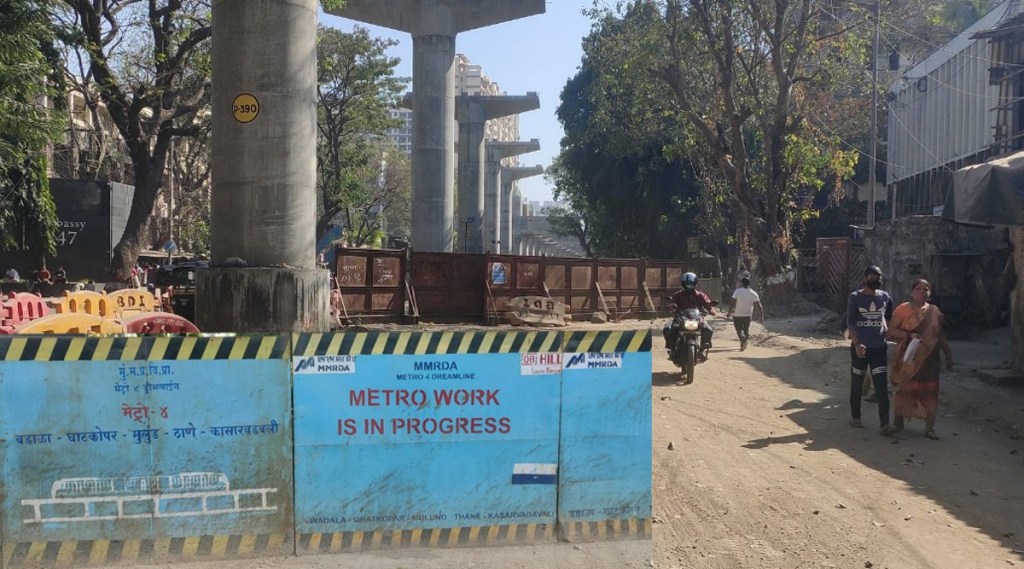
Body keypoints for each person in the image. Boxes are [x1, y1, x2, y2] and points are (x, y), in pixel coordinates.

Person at [886, 279, 953, 440]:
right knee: (904, 390)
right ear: (912, 292)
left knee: (930, 393)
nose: (923, 292)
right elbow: (890, 332)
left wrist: (948, 355)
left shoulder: (935, 311)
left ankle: (929, 429)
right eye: (919, 289)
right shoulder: (903, 310)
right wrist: (909, 335)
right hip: (908, 359)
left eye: (926, 289)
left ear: (930, 293)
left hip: (930, 359)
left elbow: (939, 335)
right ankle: (898, 422)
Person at [846, 265, 895, 435]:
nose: (876, 281)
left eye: (878, 278)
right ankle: (856, 417)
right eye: (872, 277)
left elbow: (888, 317)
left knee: (881, 385)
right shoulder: (855, 297)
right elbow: (851, 322)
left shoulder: (885, 297)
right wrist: (857, 344)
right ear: (865, 279)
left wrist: (886, 329)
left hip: (879, 348)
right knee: (857, 382)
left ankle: (885, 424)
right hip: (860, 348)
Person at [663, 272, 717, 360]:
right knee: (670, 328)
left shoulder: (700, 295)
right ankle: (672, 349)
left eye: (691, 284)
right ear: (683, 284)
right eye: (687, 284)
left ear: (695, 284)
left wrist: (711, 309)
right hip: (681, 317)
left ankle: (703, 350)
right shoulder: (678, 295)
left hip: (697, 317)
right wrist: (671, 307)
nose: (689, 286)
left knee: (708, 329)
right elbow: (672, 302)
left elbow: (707, 303)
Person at [727, 277, 764, 351]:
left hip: (738, 315)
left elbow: (732, 302)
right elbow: (759, 306)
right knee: (746, 330)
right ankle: (743, 343)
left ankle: (743, 340)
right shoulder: (753, 293)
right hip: (748, 315)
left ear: (742, 283)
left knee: (739, 330)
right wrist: (761, 316)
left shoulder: (738, 291)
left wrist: (729, 312)